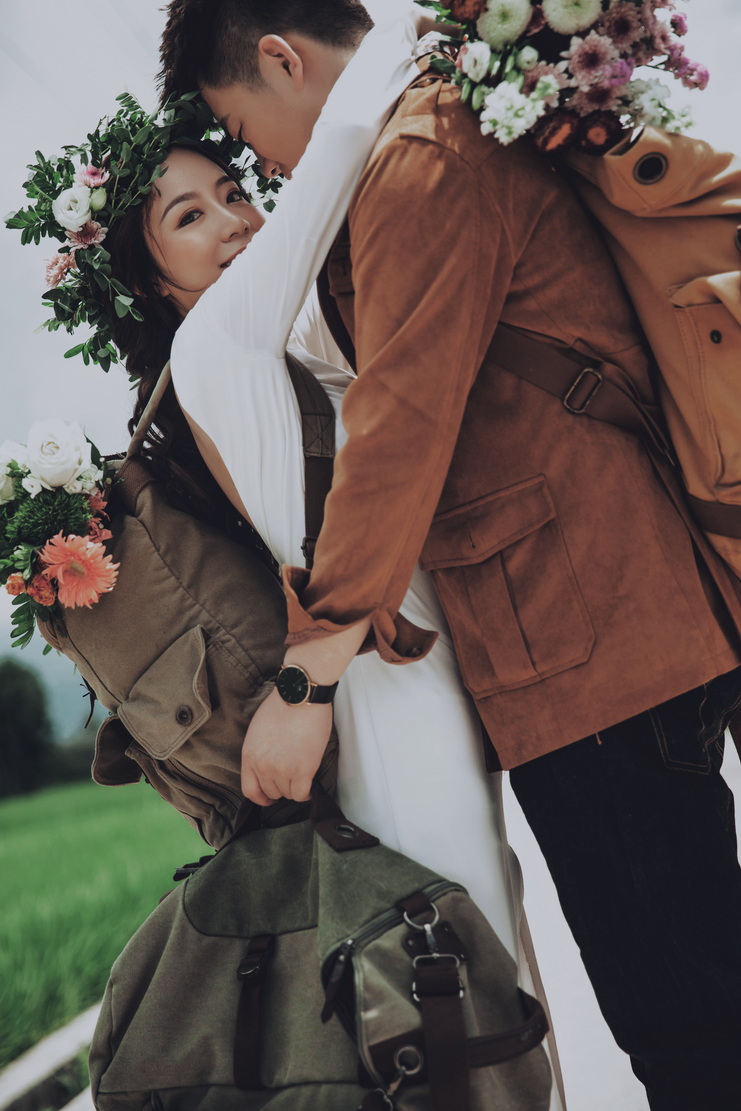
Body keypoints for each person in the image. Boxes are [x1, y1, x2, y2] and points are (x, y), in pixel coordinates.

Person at [157, 2, 741, 1109]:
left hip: (588, 642)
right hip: (603, 627)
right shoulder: (432, 128)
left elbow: (401, 421)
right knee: (700, 1003)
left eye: (241, 132)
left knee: (692, 1033)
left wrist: (308, 674)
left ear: (281, 59)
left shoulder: (419, 155)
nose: (262, 165)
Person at [7, 13, 560, 1107]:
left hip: (407, 679)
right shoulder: (219, 342)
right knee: (473, 993)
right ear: (149, 283)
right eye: (189, 216)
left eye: (232, 191)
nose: (236, 220)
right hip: (393, 700)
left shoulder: (284, 342)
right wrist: (467, 31)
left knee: (488, 984)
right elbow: (348, 132)